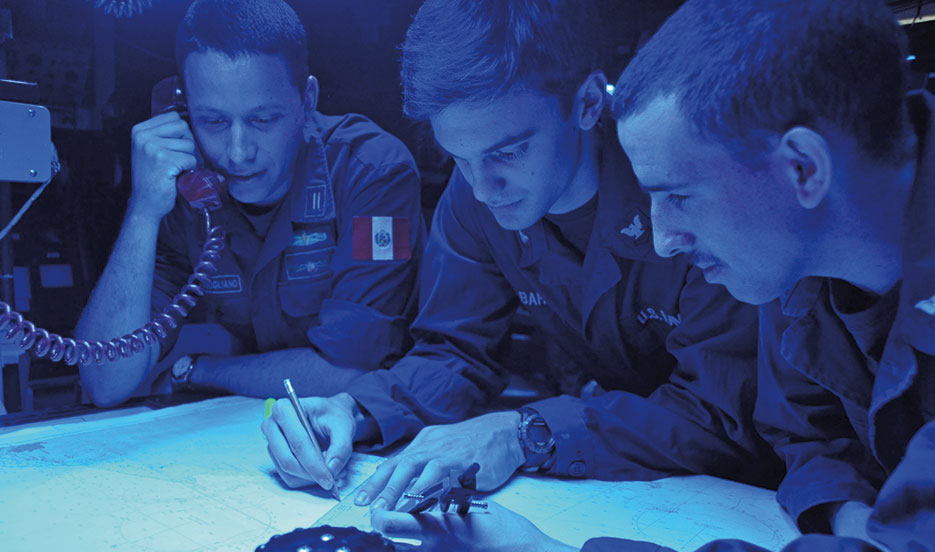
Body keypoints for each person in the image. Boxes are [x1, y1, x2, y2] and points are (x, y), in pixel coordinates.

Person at [373, 0, 935, 552]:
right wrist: (848, 517)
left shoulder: (769, 246)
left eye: (677, 197)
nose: (661, 239)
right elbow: (802, 434)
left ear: (803, 168)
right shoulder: (791, 257)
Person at [263, 0, 781, 502]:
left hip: (738, 488)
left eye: (508, 152)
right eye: (458, 158)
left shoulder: (677, 191)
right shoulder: (473, 195)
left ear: (587, 103)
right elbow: (454, 351)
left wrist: (523, 433)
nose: (484, 188)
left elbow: (718, 412)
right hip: (608, 473)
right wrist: (355, 410)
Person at [76, 0, 425, 407]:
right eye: (214, 122)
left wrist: (198, 370)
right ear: (182, 110)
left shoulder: (373, 172)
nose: (238, 153)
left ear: (307, 99)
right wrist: (144, 209)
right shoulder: (187, 194)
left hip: (387, 437)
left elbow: (350, 371)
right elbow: (105, 381)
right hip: (256, 431)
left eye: (263, 120)